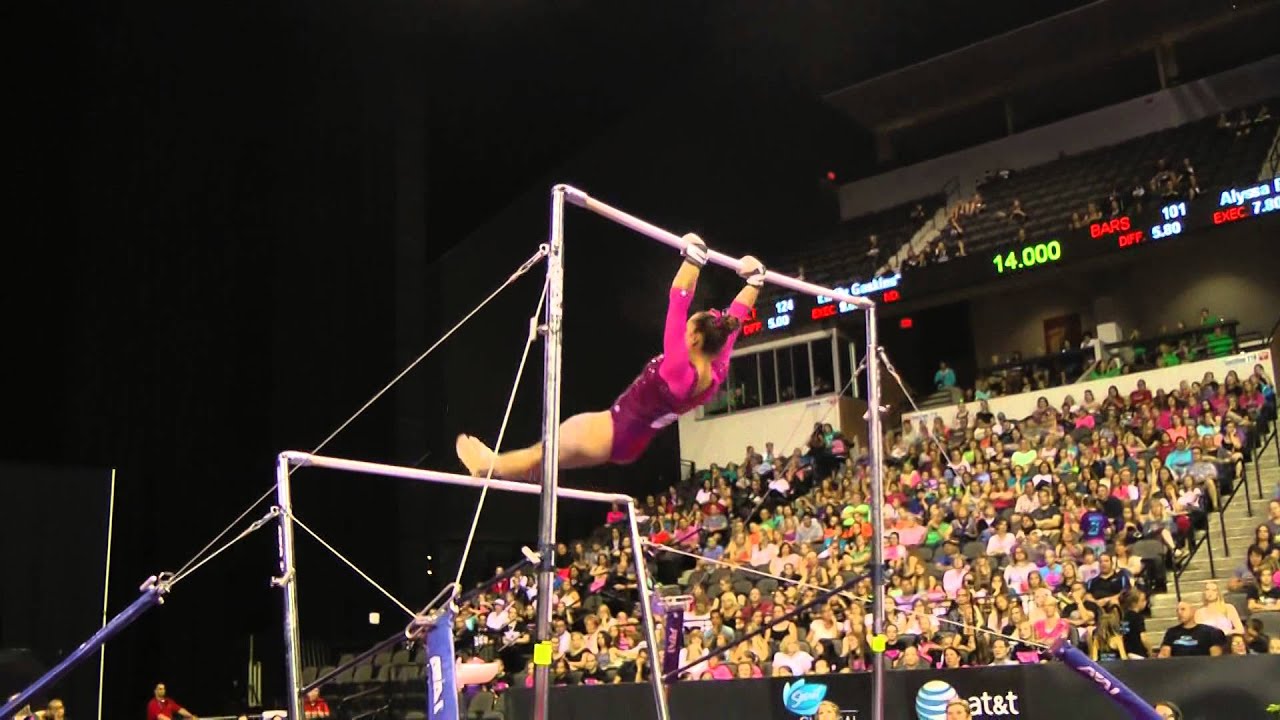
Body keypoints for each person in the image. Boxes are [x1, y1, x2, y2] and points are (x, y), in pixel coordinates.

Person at [457, 235, 763, 478]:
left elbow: (678, 299)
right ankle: (497, 467)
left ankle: (490, 467)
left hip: (617, 430)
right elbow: (737, 315)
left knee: (546, 452)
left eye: (688, 328)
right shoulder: (716, 369)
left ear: (695, 338)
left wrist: (694, 256)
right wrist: (754, 280)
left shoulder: (678, 368)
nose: (682, 329)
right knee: (548, 455)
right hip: (627, 433)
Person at [1157, 602, 1225, 657]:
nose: (1179, 612)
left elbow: (1215, 659)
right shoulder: (1171, 632)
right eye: (1177, 610)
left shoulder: (1210, 632)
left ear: (1193, 611)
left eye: (1183, 609)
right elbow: (1164, 655)